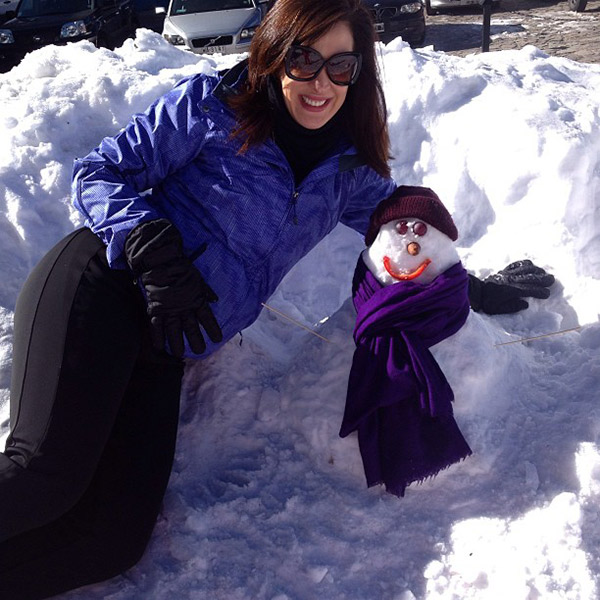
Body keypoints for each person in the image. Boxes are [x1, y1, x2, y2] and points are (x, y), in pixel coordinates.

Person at [0, 0, 553, 597]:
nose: (321, 82)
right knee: (45, 478)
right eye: (304, 58)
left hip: (164, 344)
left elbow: (400, 240)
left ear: (359, 74)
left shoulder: (347, 172)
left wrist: (466, 283)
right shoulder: (212, 108)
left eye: (342, 66)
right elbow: (99, 172)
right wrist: (144, 241)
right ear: (274, 55)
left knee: (109, 540)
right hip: (103, 286)